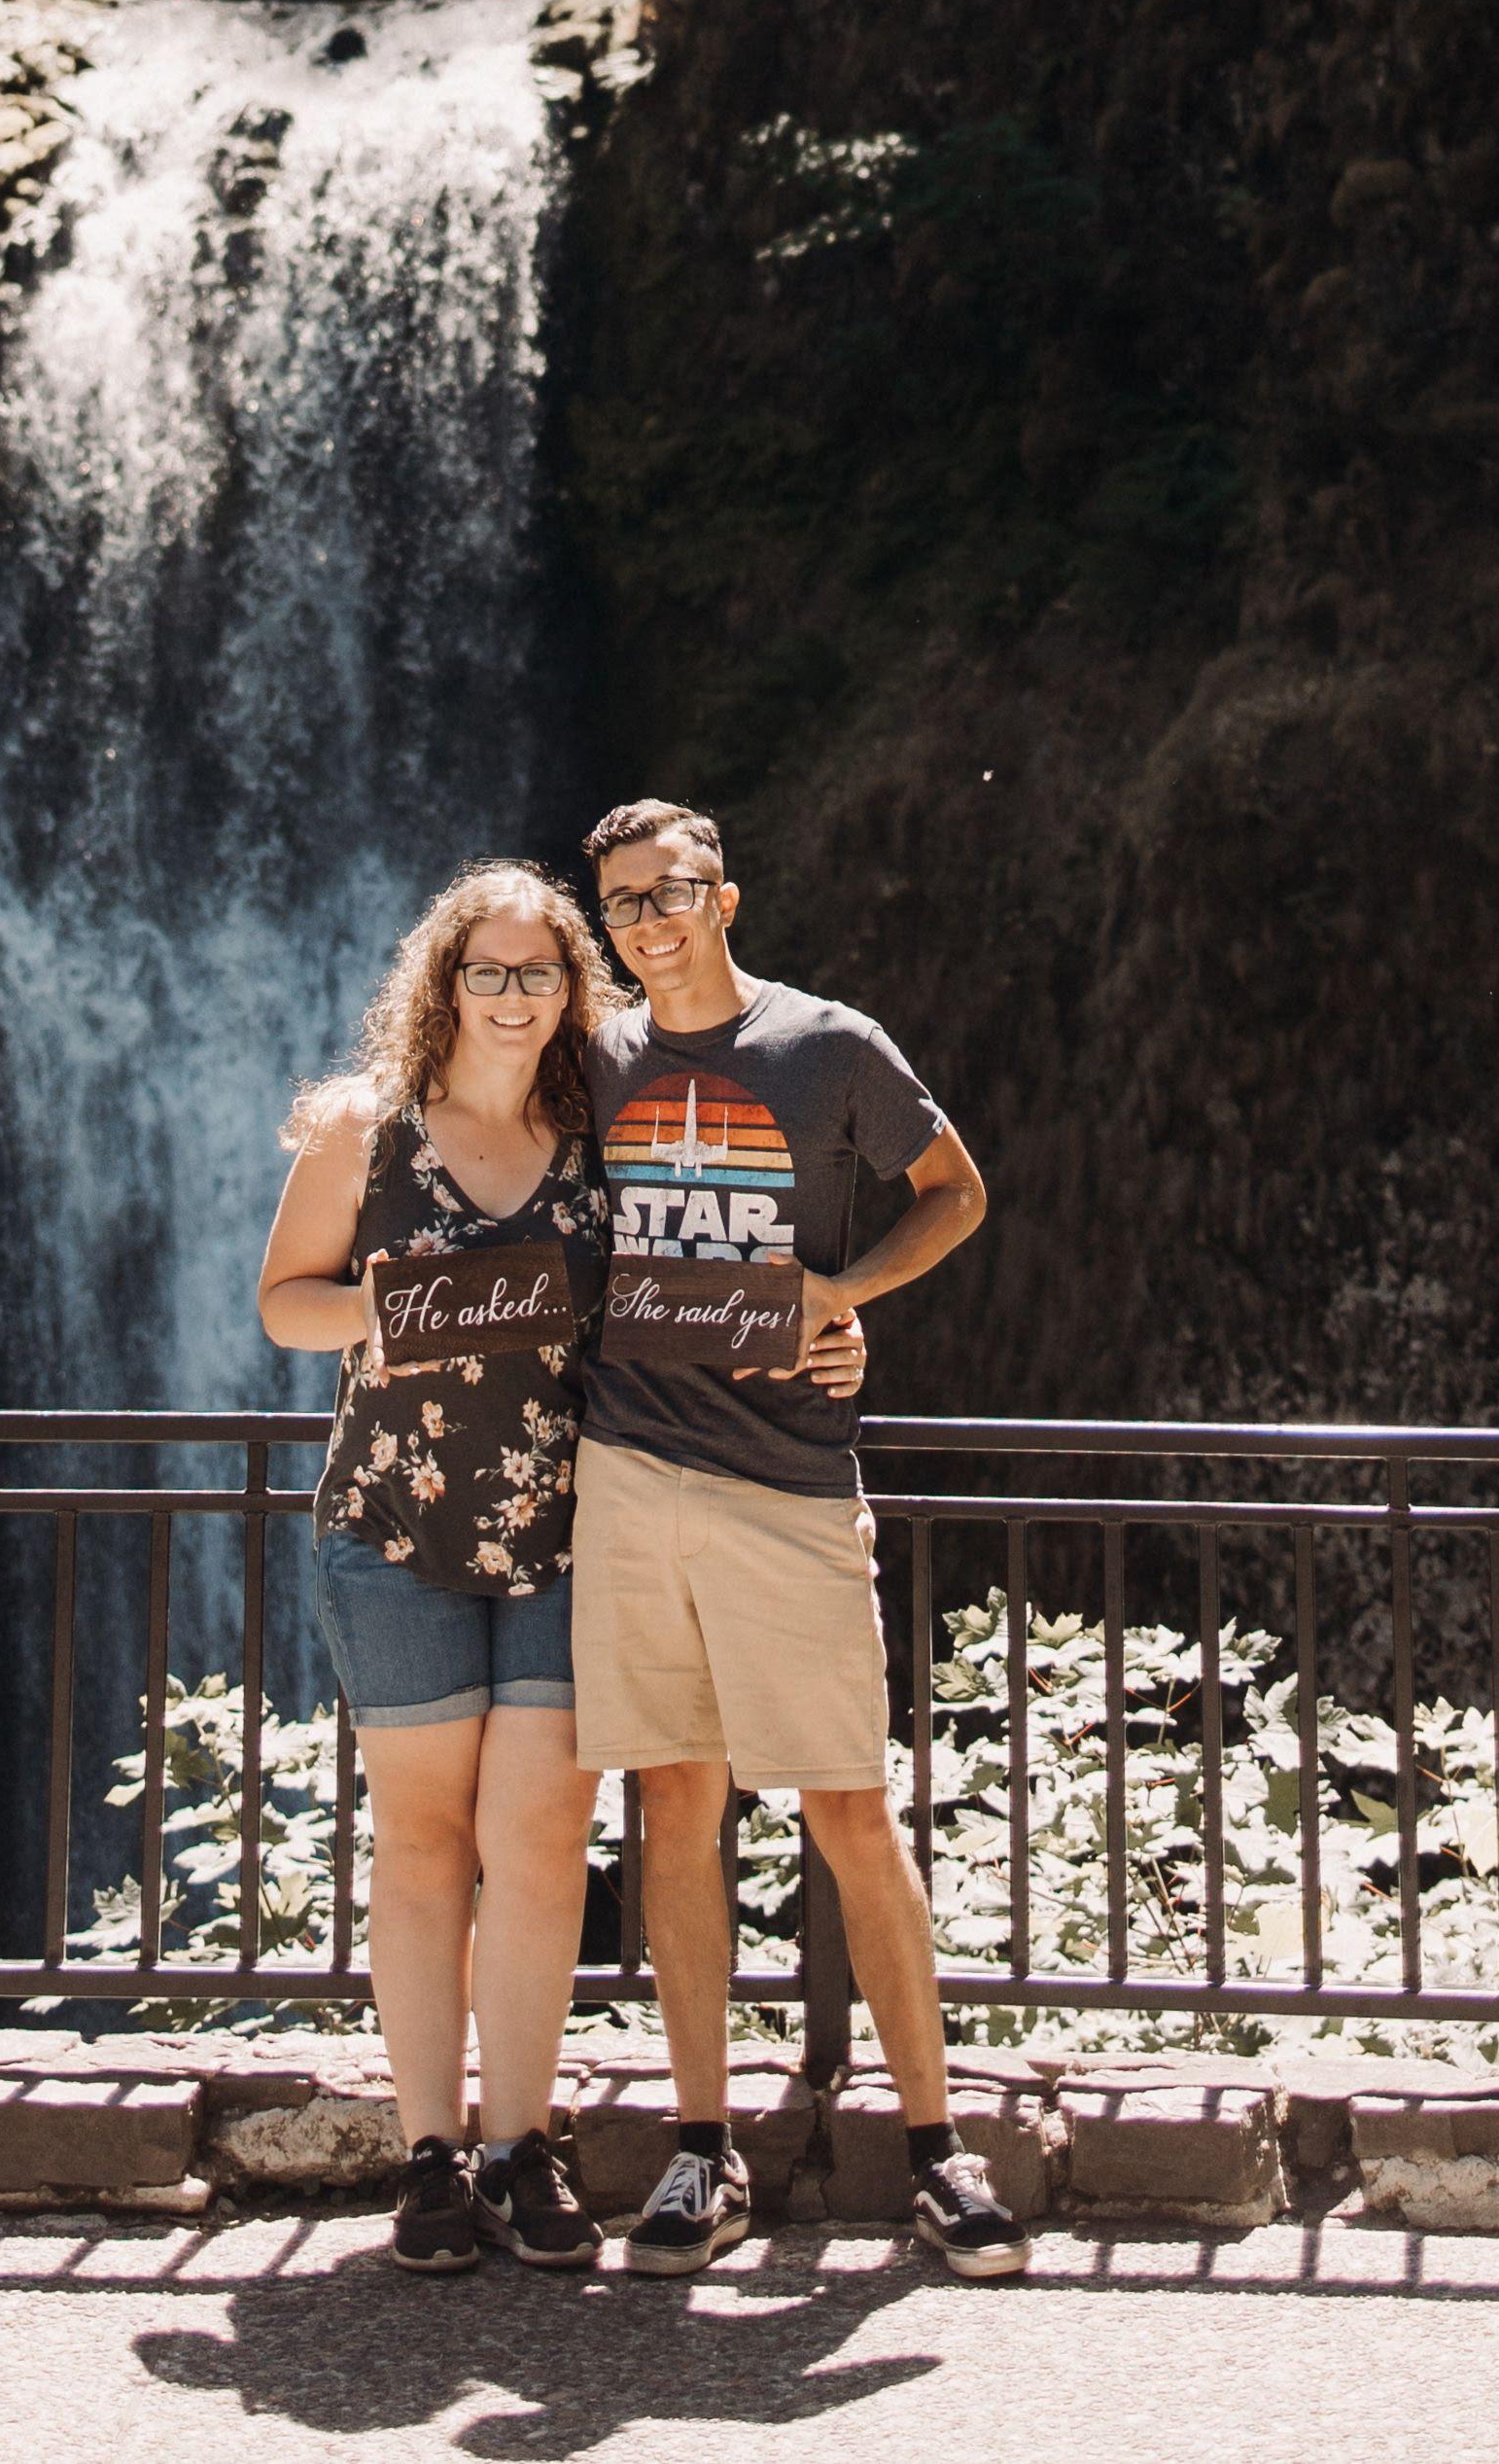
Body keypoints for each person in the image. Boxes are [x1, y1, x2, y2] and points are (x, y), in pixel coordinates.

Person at [258, 859, 869, 2277]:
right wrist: (376, 1313)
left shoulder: (604, 1131)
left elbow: (723, 1256)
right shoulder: (365, 1131)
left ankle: (521, 2149)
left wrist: (835, 1320)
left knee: (536, 1849)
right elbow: (283, 1302)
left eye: (542, 972)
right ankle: (427, 2157)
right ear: (445, 981)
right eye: (491, 971)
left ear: (569, 989)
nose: (517, 995)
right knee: (421, 1846)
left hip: (561, 1535)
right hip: (396, 1535)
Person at [568, 796, 1029, 2280]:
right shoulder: (594, 1057)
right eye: (624, 901)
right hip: (633, 1474)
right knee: (674, 1811)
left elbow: (955, 1195)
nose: (648, 916)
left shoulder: (827, 1046)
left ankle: (937, 2150)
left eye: (671, 890)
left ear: (726, 896)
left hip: (788, 1483)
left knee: (849, 1813)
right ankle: (703, 2151)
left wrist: (846, 1305)